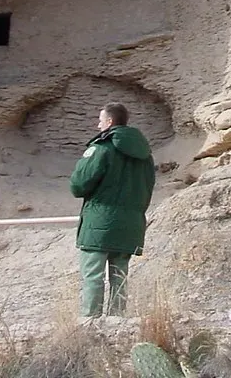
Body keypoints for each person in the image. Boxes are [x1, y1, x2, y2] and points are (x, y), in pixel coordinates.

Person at [70, 102, 156, 318]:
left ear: (109, 122)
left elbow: (79, 185)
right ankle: (118, 323)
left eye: (100, 120)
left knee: (93, 275)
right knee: (120, 276)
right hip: (131, 223)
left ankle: (90, 322)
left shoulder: (101, 148)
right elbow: (148, 187)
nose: (98, 125)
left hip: (100, 222)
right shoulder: (145, 155)